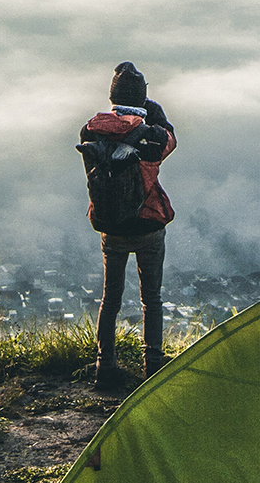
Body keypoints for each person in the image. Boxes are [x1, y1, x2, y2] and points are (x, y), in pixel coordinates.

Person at [79, 61, 176, 389]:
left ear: (112, 98)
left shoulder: (90, 132)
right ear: (143, 99)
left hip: (111, 227)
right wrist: (156, 116)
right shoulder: (152, 135)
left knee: (111, 298)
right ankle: (153, 365)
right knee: (151, 298)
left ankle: (104, 365)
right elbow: (169, 141)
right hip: (148, 226)